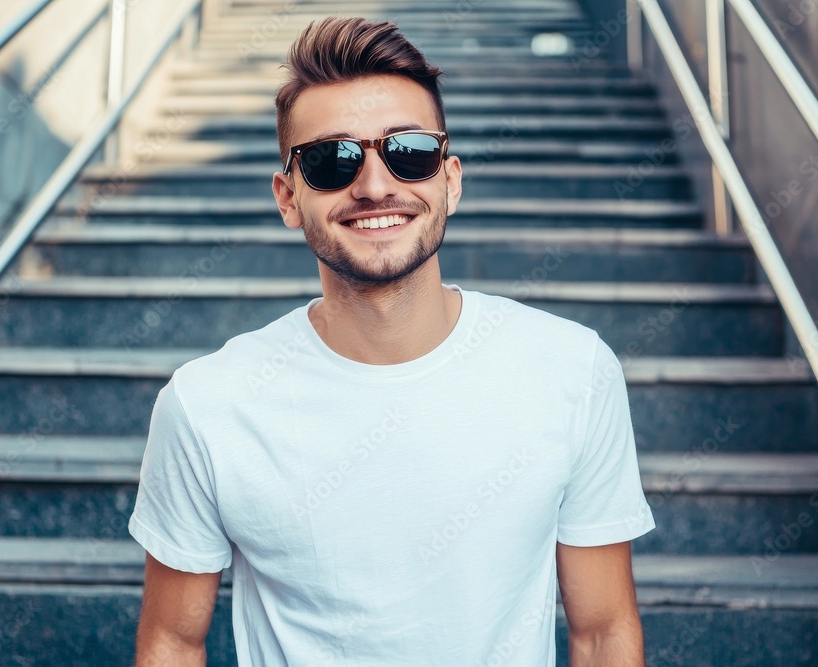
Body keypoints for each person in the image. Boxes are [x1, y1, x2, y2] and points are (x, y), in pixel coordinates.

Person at [129, 16, 655, 667]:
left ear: (450, 180)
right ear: (287, 197)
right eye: (331, 160)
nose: (375, 185)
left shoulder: (573, 372)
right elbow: (172, 643)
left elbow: (603, 631)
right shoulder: (208, 404)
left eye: (408, 151)